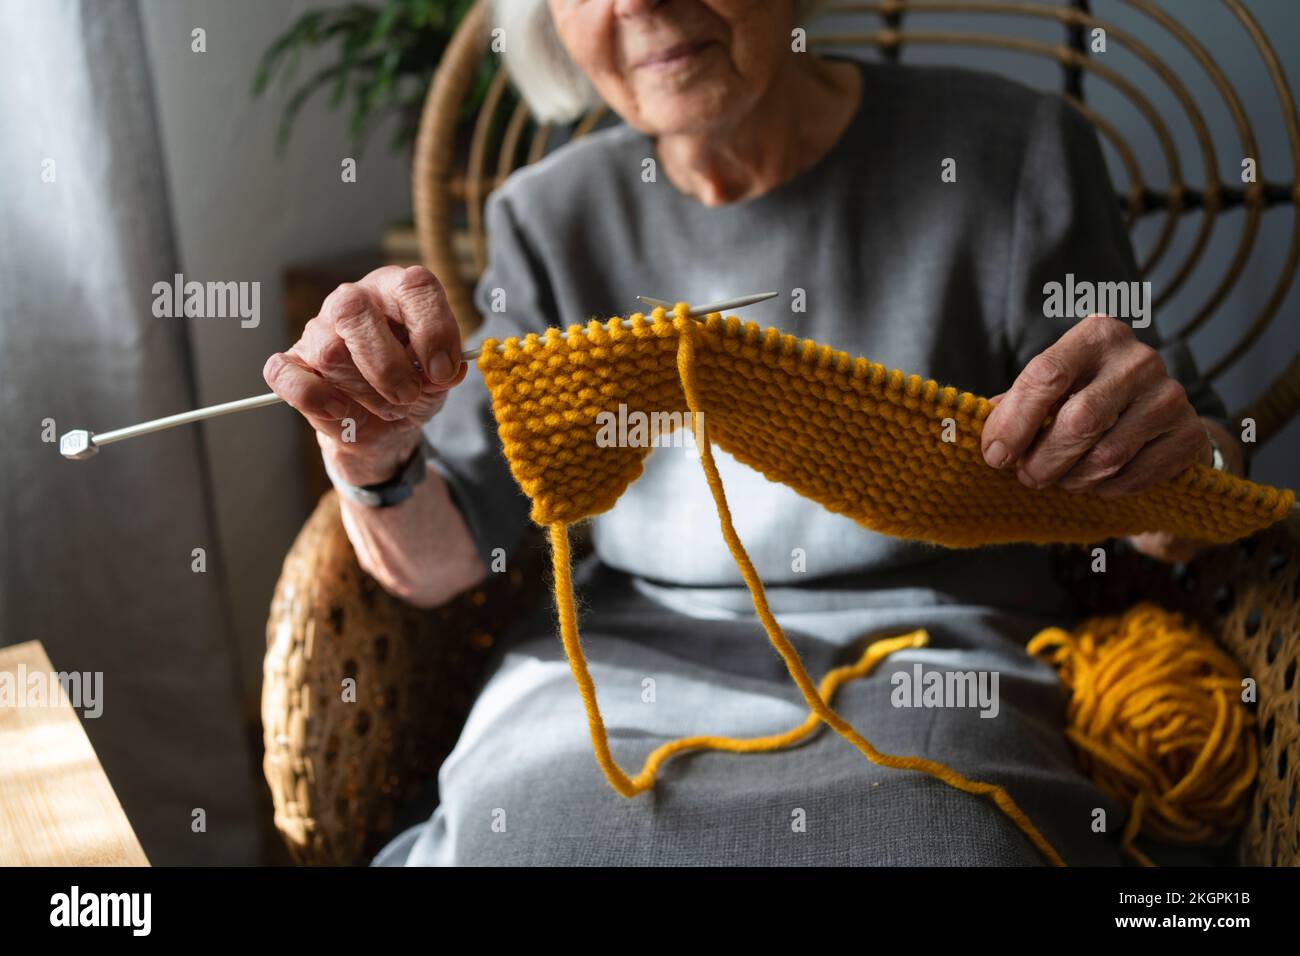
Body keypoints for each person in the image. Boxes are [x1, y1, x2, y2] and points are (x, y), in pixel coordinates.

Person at [263, 0, 1244, 865]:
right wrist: (368, 446)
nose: (639, 1)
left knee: (951, 839)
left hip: (944, 654)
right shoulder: (548, 216)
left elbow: (1183, 484)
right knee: (519, 832)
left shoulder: (1011, 151)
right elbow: (444, 555)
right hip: (612, 667)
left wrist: (1166, 460)